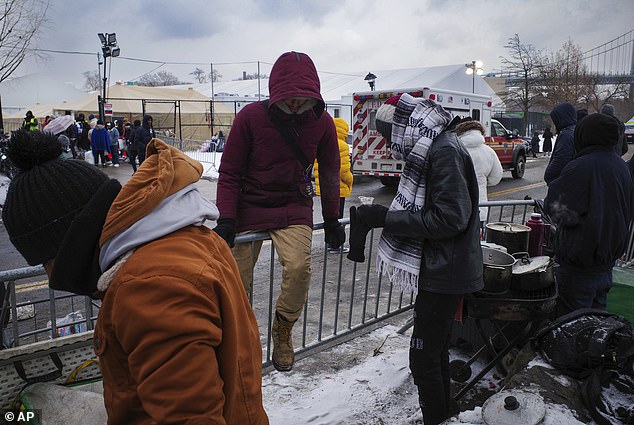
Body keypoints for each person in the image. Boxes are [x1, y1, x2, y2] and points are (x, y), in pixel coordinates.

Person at [1, 129, 269, 425]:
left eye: (44, 262)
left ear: (68, 245)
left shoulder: (148, 287)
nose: (49, 276)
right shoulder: (182, 238)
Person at [347, 93, 483, 425]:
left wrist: (384, 217)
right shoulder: (438, 145)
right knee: (433, 351)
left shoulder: (443, 151)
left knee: (423, 357)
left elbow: (450, 219)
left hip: (446, 270)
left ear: (404, 127)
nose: (391, 143)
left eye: (389, 135)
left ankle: (437, 418)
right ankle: (441, 416)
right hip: (443, 268)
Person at [215, 51, 344, 372]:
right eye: (291, 98)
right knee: (234, 279)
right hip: (249, 205)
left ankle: (282, 329)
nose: (297, 105)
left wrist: (331, 218)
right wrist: (226, 217)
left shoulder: (322, 123)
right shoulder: (250, 118)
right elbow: (229, 172)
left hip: (293, 204)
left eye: (304, 98)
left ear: (313, 94)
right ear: (276, 93)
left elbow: (329, 170)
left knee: (300, 268)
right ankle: (240, 337)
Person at [545, 113, 633, 317]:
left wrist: (574, 219)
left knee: (571, 327)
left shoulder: (581, 167)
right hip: (605, 265)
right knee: (595, 325)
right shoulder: (621, 166)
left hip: (579, 266)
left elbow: (559, 211)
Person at [315, 117, 353, 253]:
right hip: (338, 188)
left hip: (324, 187)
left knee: (328, 216)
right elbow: (343, 170)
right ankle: (336, 245)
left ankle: (329, 243)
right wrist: (350, 180)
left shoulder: (322, 141)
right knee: (338, 217)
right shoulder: (341, 145)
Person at [456, 119, 502, 228]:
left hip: (457, 208)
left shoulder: (455, 150)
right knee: (477, 241)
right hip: (479, 207)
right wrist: (482, 182)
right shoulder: (489, 151)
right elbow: (496, 177)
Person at [544, 103, 576, 185]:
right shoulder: (576, 130)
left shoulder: (566, 135)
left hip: (563, 182)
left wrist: (549, 175)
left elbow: (561, 158)